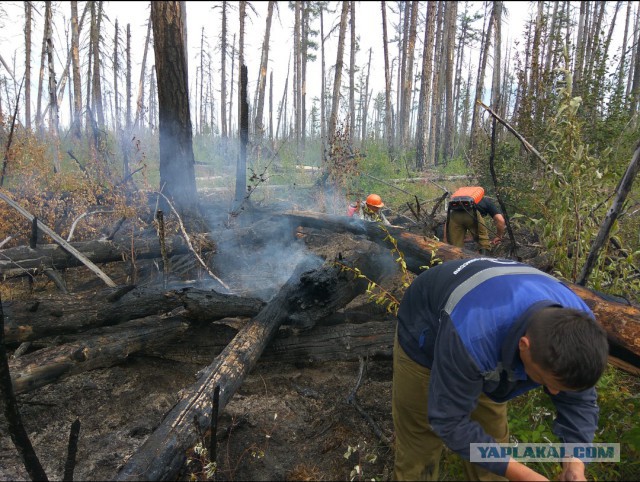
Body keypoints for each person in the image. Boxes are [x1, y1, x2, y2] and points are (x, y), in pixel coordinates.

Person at [392, 257, 609, 482]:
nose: (555, 393)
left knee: (492, 447)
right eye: (548, 382)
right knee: (421, 449)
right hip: (425, 332)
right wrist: (525, 476)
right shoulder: (473, 334)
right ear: (524, 346)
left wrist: (576, 462)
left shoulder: (581, 331)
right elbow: (448, 421)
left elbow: (580, 401)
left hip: (486, 335)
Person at [444, 187, 506, 252]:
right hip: (473, 214)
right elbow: (500, 220)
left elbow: (448, 222)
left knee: (455, 246)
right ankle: (484, 259)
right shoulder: (486, 201)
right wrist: (499, 236)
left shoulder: (458, 203)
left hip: (454, 215)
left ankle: (457, 260)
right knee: (483, 242)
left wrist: (445, 239)